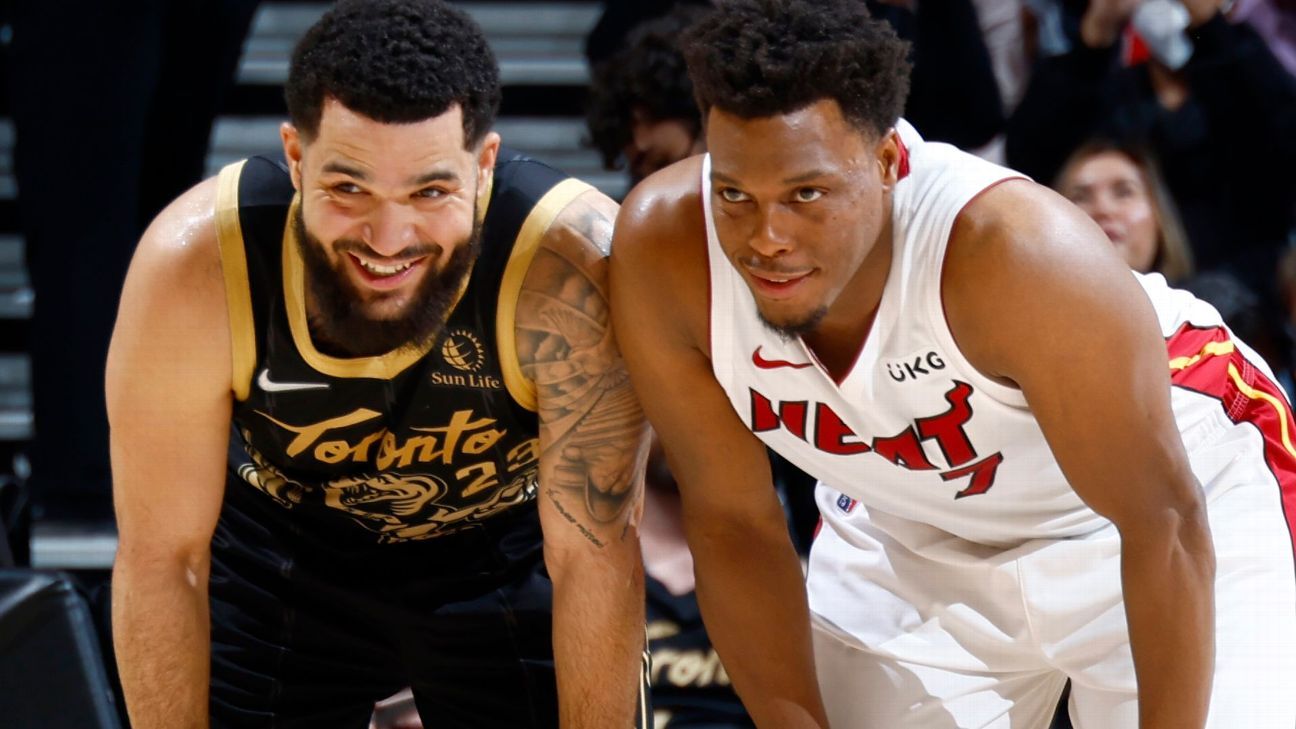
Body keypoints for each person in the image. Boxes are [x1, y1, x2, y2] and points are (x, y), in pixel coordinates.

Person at [608, 1, 1296, 728]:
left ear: (887, 162)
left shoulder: (1016, 253)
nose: (766, 238)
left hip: (1162, 502)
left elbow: (1165, 521)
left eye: (806, 193)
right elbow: (734, 526)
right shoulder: (667, 254)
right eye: (734, 195)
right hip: (912, 523)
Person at [107, 2, 649, 727]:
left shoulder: (573, 262)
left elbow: (594, 555)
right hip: (279, 557)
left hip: (508, 551)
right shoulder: (195, 264)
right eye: (349, 188)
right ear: (295, 158)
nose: (388, 238)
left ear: (484, 165)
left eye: (430, 191)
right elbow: (162, 557)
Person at [1054, 139, 1194, 282]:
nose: (1103, 209)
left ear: (1158, 214)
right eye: (1080, 198)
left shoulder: (1204, 294)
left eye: (1124, 193)